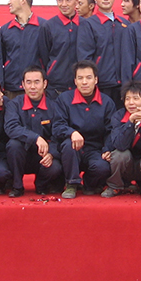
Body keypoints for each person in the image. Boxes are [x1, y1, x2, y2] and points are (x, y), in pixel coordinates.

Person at [53, 60, 116, 199]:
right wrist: (71, 132)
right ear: (75, 81)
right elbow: (57, 126)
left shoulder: (107, 102)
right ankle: (71, 184)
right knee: (68, 145)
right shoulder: (64, 99)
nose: (84, 82)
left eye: (88, 77)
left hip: (95, 149)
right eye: (80, 78)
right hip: (72, 148)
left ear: (96, 80)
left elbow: (111, 130)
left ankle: (89, 184)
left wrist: (107, 148)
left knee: (102, 168)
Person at [4, 66, 64, 197]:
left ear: (45, 84)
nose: (32, 87)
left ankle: (41, 185)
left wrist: (52, 153)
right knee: (13, 145)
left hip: (43, 155)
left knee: (55, 167)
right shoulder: (14, 104)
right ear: (23, 84)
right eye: (29, 82)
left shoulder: (54, 106)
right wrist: (35, 138)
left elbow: (58, 134)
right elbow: (11, 127)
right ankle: (17, 186)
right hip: (21, 154)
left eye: (37, 82)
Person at [101, 80, 141, 199]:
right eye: (127, 99)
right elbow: (120, 145)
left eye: (135, 98)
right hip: (126, 163)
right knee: (119, 154)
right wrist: (130, 123)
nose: (131, 103)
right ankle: (115, 186)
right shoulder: (118, 116)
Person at [77, 0, 130, 105]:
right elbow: (85, 56)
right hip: (101, 84)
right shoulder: (88, 24)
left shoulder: (124, 24)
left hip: (123, 85)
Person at [0, 0, 44, 98]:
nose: (9, 2)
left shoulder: (44, 27)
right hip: (11, 88)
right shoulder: (5, 30)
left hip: (37, 89)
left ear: (23, 0)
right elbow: (0, 60)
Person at [38, 0, 79, 99]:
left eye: (68, 0)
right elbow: (44, 56)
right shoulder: (48, 26)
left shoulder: (86, 25)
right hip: (55, 88)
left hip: (81, 86)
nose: (64, 4)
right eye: (60, 0)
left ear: (76, 1)